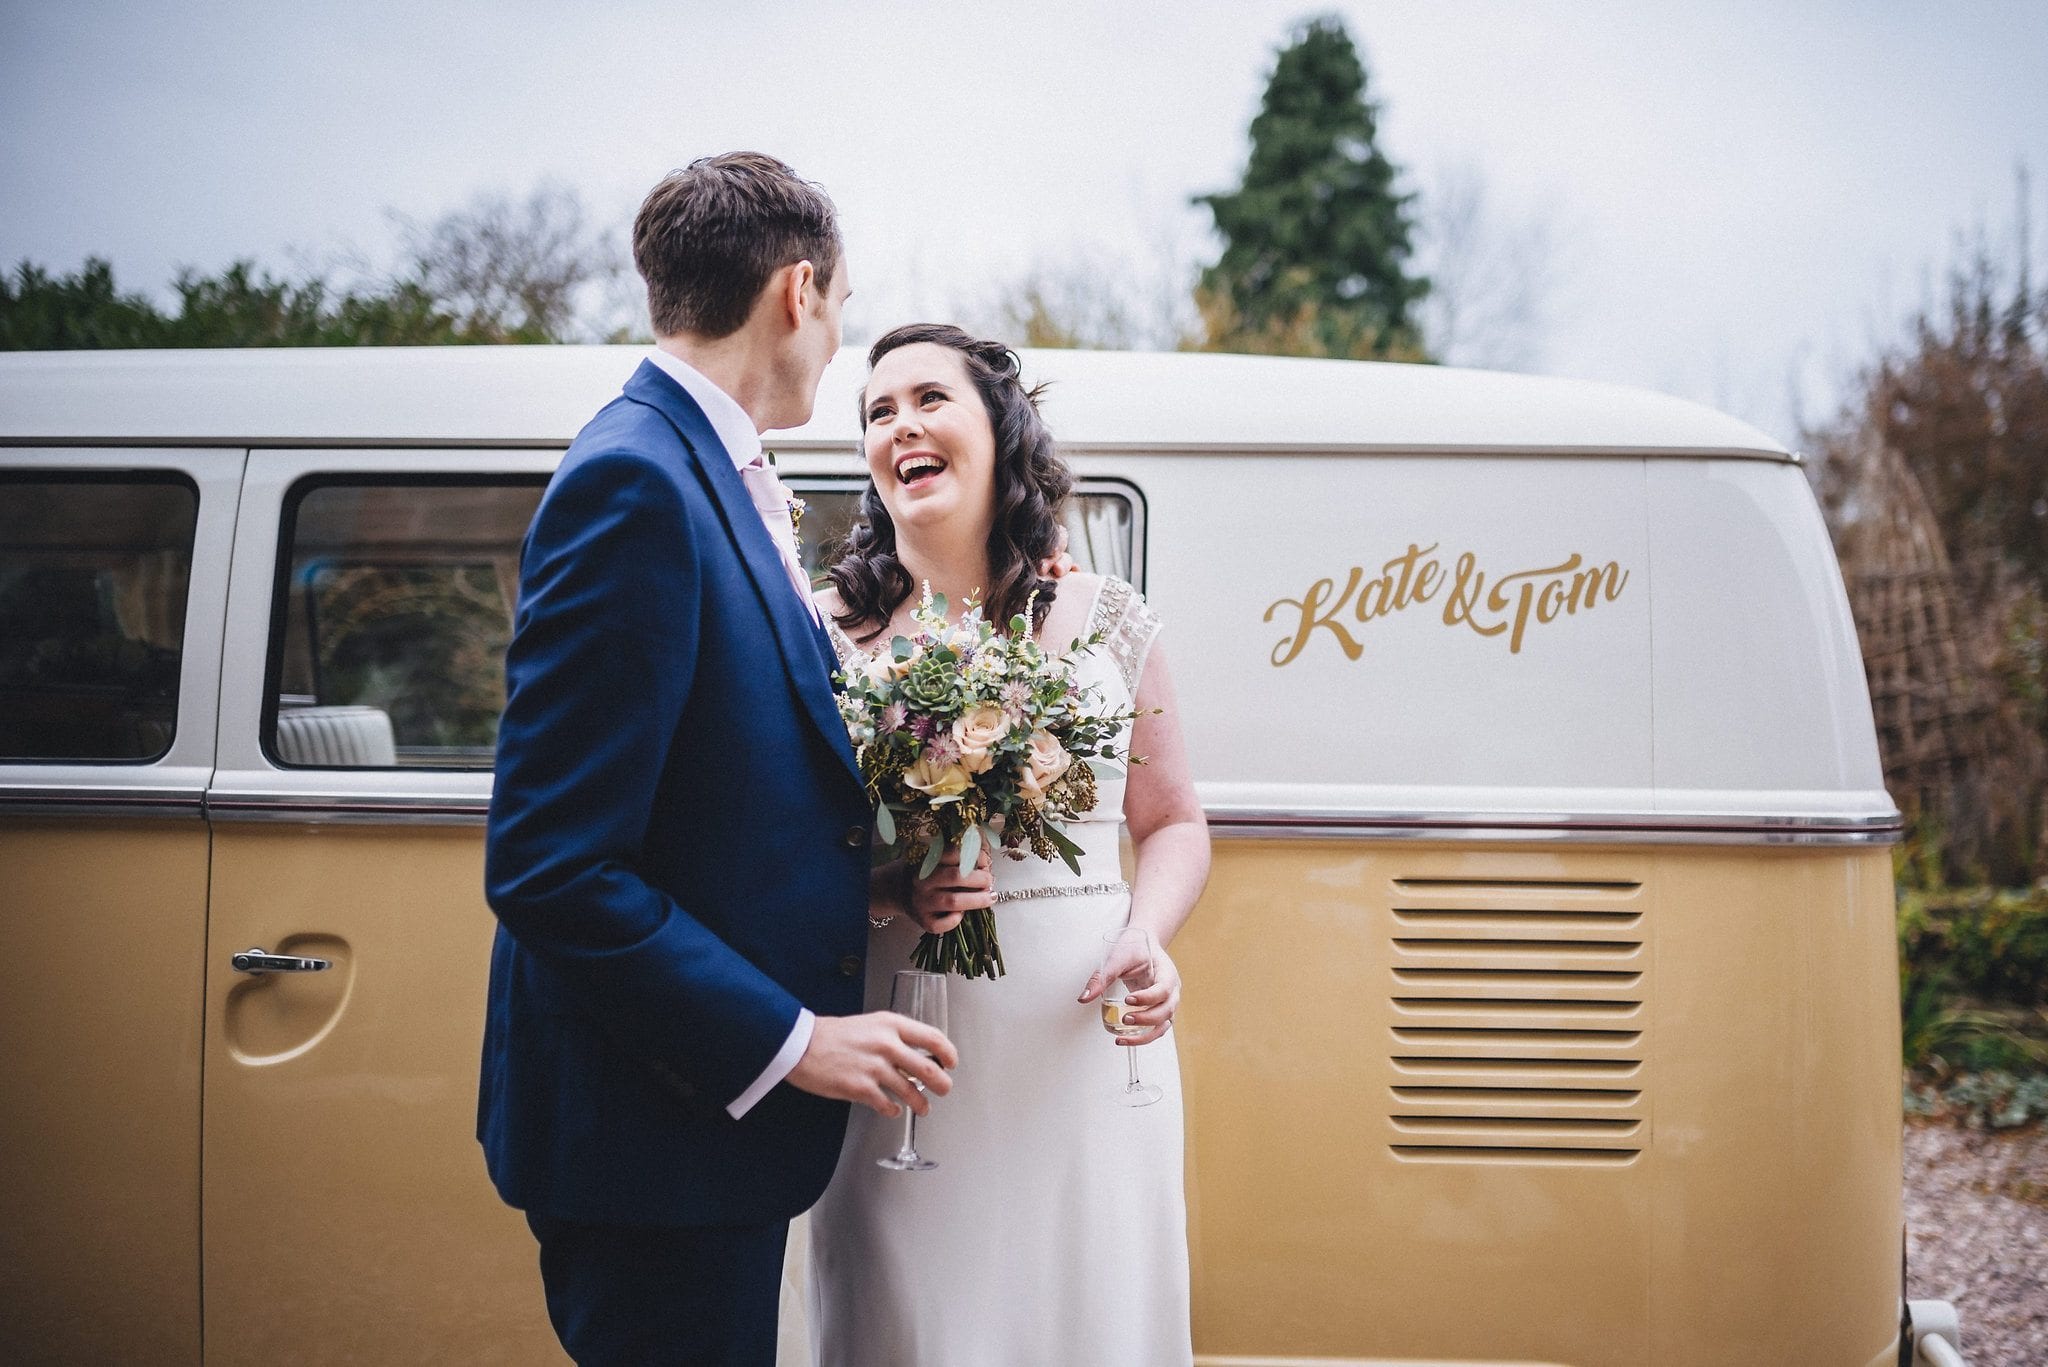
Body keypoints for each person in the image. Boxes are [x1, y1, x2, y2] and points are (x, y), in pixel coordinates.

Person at [479, 156, 959, 1367]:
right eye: (841, 305)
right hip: (655, 1137)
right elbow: (551, 866)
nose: (837, 335)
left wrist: (876, 889)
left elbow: (706, 798)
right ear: (798, 290)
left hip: (692, 1139)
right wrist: (798, 1039)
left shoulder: (708, 470)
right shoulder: (635, 482)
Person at [805, 324, 1212, 1366]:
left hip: (1081, 1037)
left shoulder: (1108, 618)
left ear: (999, 429)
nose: (901, 426)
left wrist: (1148, 934)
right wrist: (891, 887)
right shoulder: (818, 632)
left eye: (929, 398)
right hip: (902, 1042)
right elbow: (780, 844)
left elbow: (1170, 821)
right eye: (876, 411)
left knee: (1083, 1311)